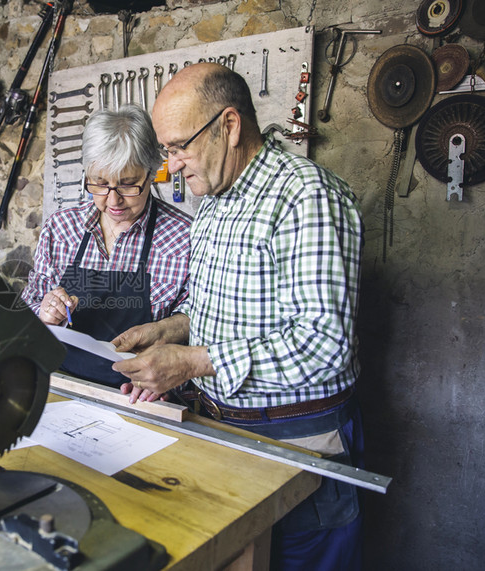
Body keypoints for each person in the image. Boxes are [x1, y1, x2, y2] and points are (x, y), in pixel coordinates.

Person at [111, 63, 365, 570]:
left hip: (300, 442)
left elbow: (324, 344)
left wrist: (191, 363)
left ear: (229, 126)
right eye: (166, 150)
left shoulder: (305, 198)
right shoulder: (214, 201)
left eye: (178, 146)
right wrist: (167, 330)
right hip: (227, 431)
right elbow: (223, 308)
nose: (171, 166)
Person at [21, 104, 192, 386]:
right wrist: (45, 311)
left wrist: (163, 331)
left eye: (127, 185)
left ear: (151, 173)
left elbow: (199, 321)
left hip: (144, 394)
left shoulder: (183, 236)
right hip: (65, 385)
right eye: (100, 183)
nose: (113, 201)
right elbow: (29, 305)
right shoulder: (61, 228)